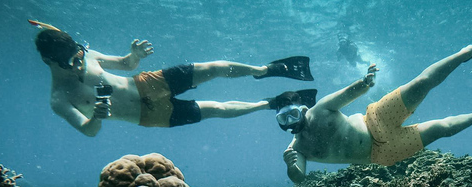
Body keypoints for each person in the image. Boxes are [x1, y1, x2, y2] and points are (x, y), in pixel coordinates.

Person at [276, 20, 472, 184]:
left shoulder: (321, 108)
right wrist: (290, 166)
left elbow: (348, 94)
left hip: (376, 120)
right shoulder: (296, 148)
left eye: (291, 115)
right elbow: (299, 177)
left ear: (301, 109)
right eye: (282, 119)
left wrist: (366, 81)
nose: (290, 123)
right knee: (443, 129)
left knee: (421, 84)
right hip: (381, 155)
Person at [30, 21, 313, 137]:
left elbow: (126, 64)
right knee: (216, 109)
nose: (80, 63)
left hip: (146, 83)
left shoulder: (88, 55)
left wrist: (135, 55)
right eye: (72, 62)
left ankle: (264, 70)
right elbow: (89, 131)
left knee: (212, 67)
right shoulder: (59, 98)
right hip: (150, 115)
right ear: (48, 61)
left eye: (80, 54)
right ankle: (270, 104)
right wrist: (97, 117)